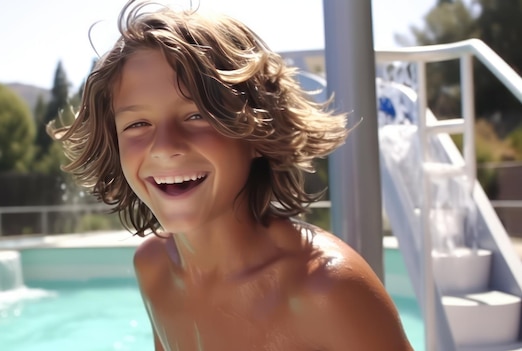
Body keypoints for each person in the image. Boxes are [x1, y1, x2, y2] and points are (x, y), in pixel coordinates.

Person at [50, 1, 413, 350]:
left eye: (196, 116)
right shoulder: (153, 269)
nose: (164, 146)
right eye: (138, 123)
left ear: (258, 132)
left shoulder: (326, 287)